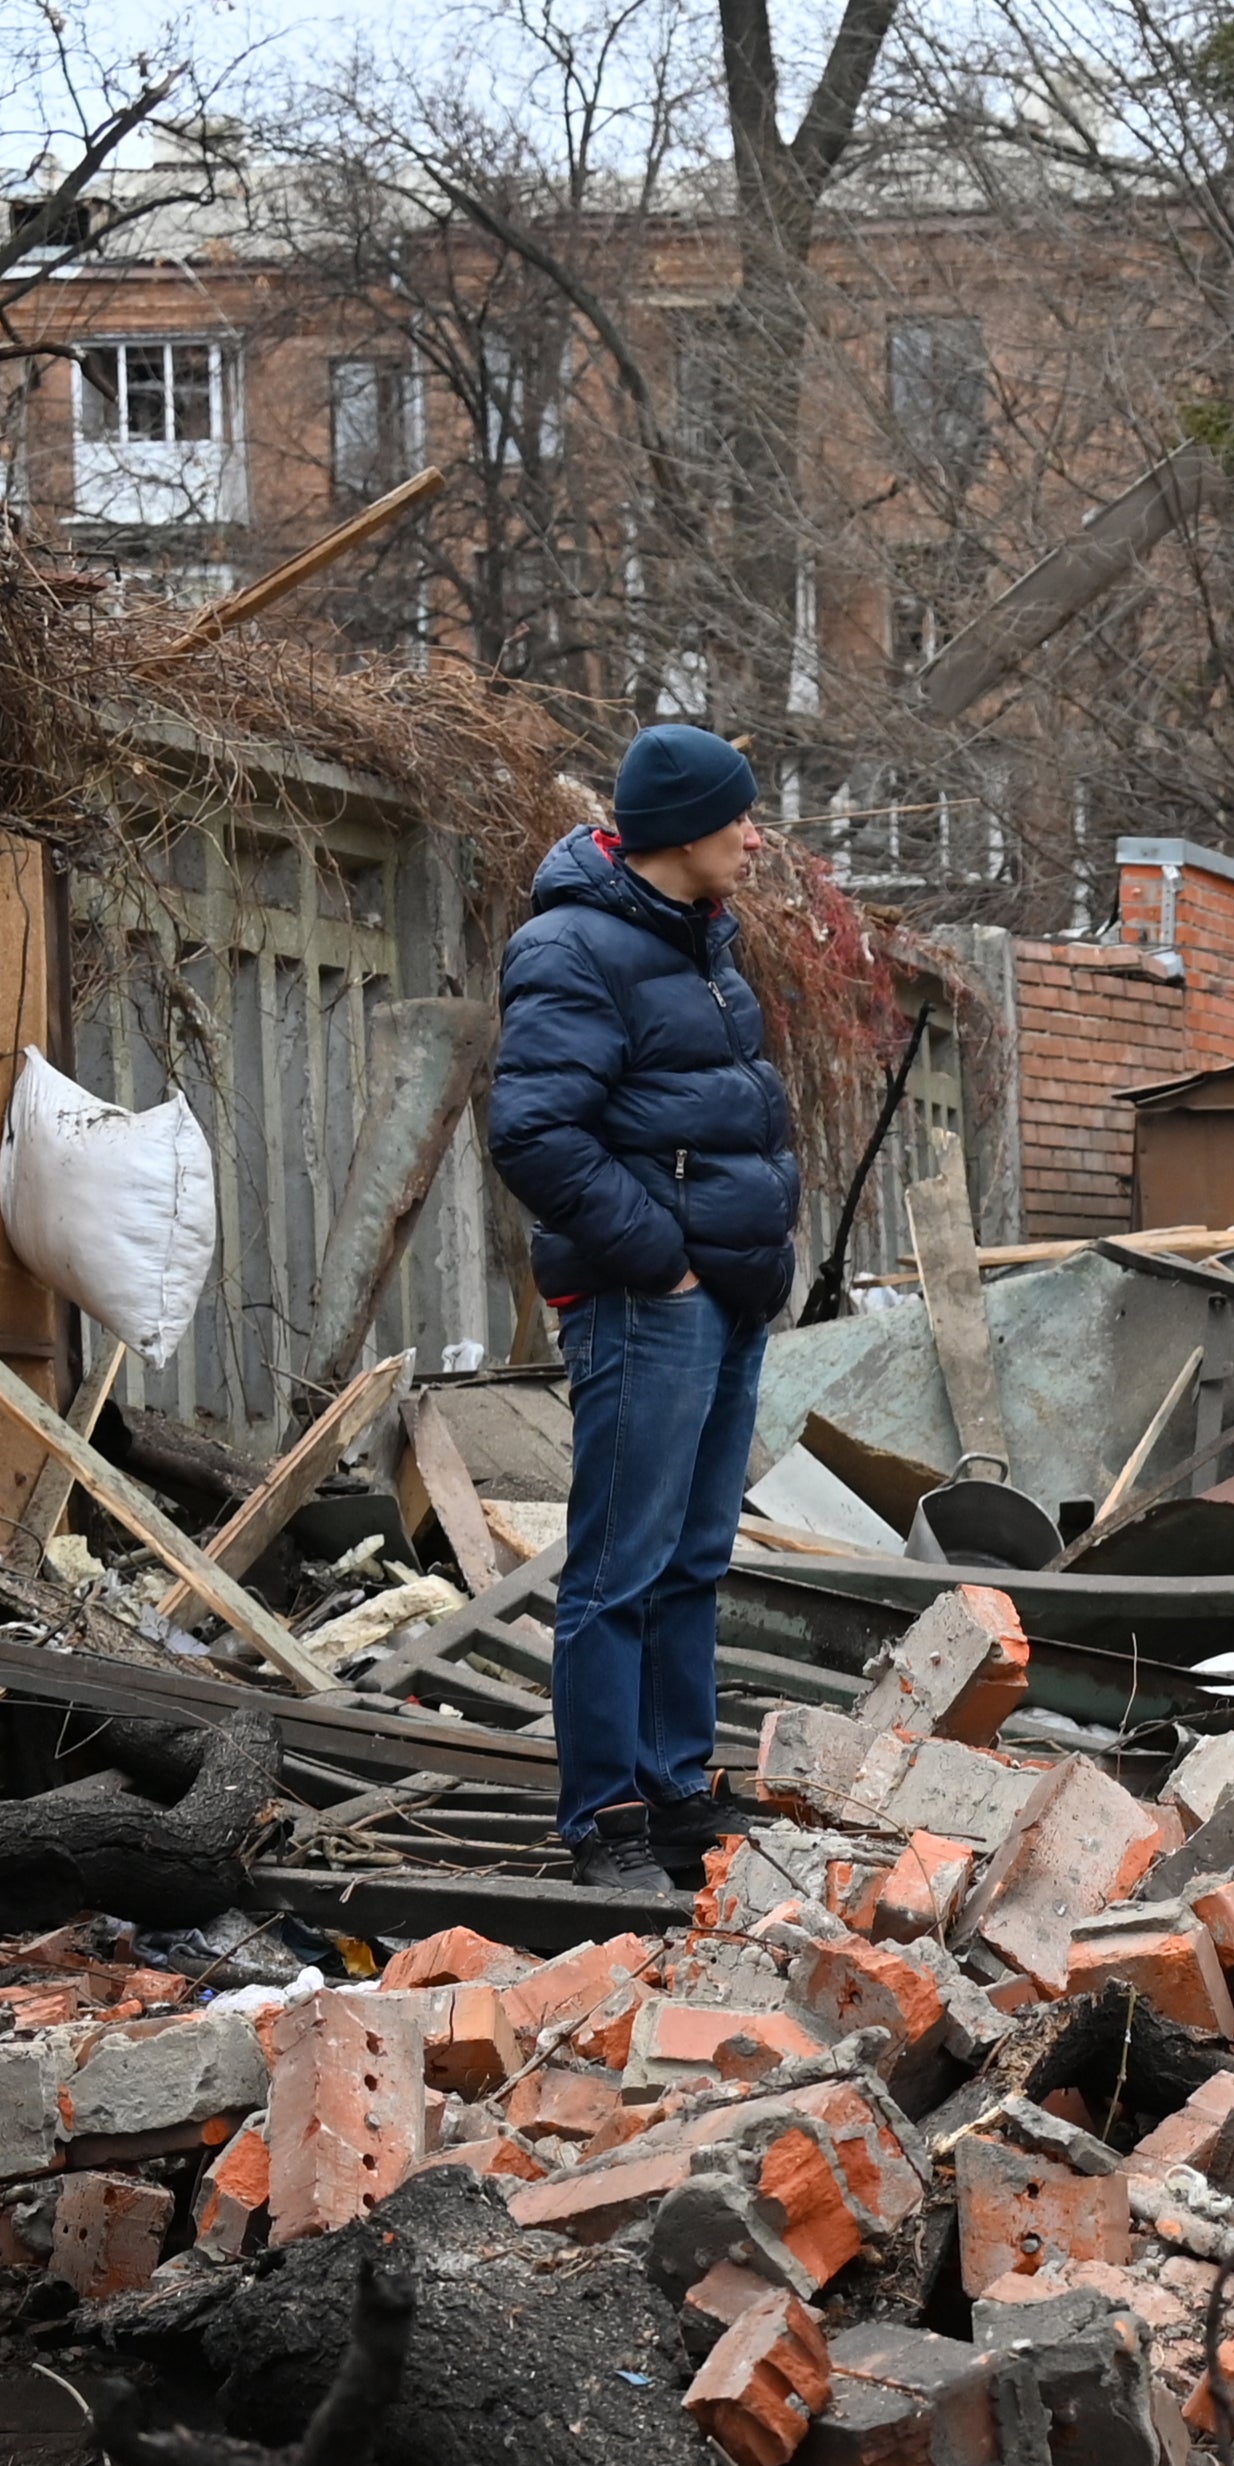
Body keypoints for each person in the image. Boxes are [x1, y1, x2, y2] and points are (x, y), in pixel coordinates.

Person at [488, 723, 797, 1894]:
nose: (754, 838)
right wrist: (659, 1261)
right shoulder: (572, 947)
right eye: (738, 820)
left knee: (692, 1560)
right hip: (648, 1300)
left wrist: (732, 1267)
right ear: (680, 832)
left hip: (724, 1299)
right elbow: (534, 1132)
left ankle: (675, 1795)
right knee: (618, 1567)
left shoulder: (700, 942)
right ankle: (604, 1821)